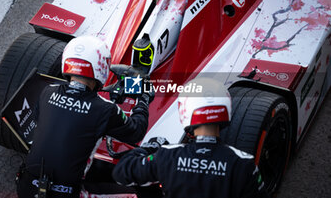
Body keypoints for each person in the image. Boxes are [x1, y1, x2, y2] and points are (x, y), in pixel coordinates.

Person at [16, 35, 153, 198]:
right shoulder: (104, 109)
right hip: (67, 194)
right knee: (134, 195)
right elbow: (136, 132)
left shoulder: (48, 91)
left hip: (25, 187)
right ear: (100, 66)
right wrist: (143, 99)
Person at [112, 77, 266, 198]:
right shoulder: (244, 164)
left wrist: (150, 147)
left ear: (187, 110)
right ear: (225, 109)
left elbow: (121, 173)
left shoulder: (167, 155)